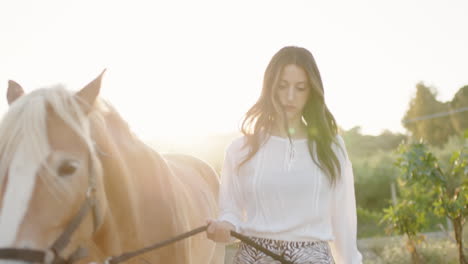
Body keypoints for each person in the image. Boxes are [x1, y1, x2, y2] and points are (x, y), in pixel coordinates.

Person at [206, 46, 362, 264]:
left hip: (313, 257)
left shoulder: (331, 148)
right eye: (282, 86)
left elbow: (343, 220)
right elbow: (230, 209)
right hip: (254, 256)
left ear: (312, 91)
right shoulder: (239, 149)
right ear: (269, 87)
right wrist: (226, 224)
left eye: (300, 88)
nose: (290, 96)